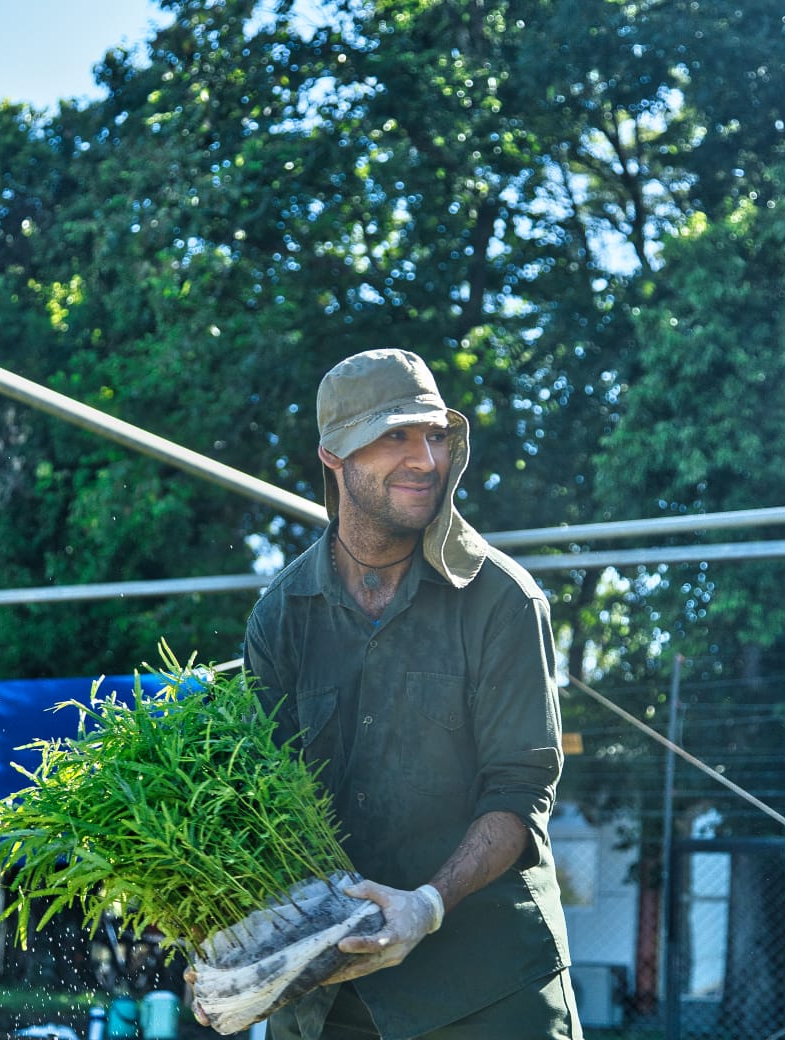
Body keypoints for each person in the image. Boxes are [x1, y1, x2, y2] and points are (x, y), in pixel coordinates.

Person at [239, 348, 582, 1039]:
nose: (425, 458)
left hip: (485, 992)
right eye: (394, 436)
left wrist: (426, 904)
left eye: (434, 435)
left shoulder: (502, 601)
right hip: (326, 999)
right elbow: (257, 798)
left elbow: (519, 793)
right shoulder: (282, 613)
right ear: (335, 457)